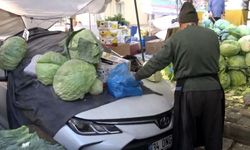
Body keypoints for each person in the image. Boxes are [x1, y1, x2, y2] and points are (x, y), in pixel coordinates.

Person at [134, 2, 225, 150]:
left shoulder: (175, 39)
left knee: (185, 136)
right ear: (196, 21)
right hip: (214, 91)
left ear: (181, 22)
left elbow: (157, 62)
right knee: (213, 135)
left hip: (188, 93)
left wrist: (137, 76)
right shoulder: (213, 36)